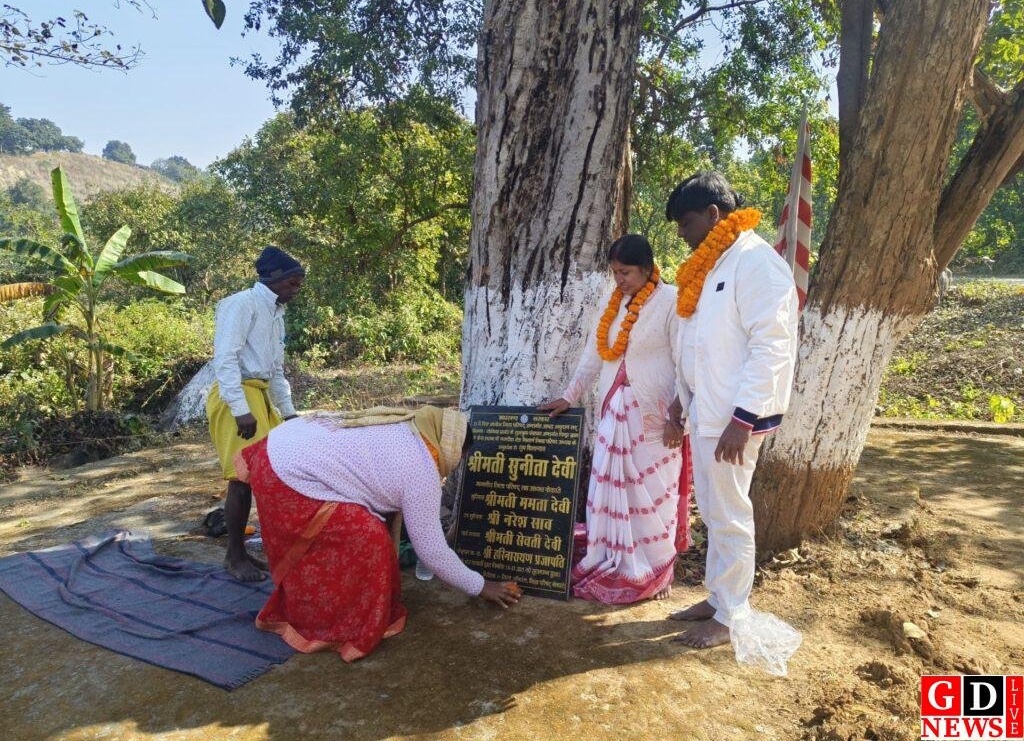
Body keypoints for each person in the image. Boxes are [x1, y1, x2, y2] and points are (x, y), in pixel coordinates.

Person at [233, 406, 522, 662]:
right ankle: (334, 623)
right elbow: (431, 551)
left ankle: (328, 606)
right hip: (287, 475)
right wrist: (481, 586)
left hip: (283, 442)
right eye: (463, 455)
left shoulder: (407, 426)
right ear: (452, 449)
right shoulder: (422, 469)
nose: (460, 462)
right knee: (370, 539)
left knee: (358, 535)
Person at [664, 171, 798, 648]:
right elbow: (698, 343)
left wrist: (744, 419)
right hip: (707, 411)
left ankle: (732, 615)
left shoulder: (756, 262)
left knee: (730, 513)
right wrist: (681, 396)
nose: (682, 234)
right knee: (714, 512)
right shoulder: (711, 263)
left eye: (686, 222)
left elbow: (773, 345)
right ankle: (718, 598)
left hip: (735, 419)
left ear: (714, 214)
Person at [540, 235, 688, 604]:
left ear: (647, 269)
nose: (619, 280)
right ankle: (611, 557)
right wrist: (569, 396)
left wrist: (679, 415)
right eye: (615, 272)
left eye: (626, 273)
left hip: (656, 417)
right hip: (613, 412)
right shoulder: (613, 304)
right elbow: (593, 356)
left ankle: (656, 570)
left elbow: (686, 361)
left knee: (654, 494)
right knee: (607, 489)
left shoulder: (671, 301)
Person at [206, 246, 305, 582]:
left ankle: (245, 551)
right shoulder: (242, 304)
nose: (296, 290)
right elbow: (225, 359)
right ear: (275, 279)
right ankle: (234, 557)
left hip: (258, 395)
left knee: (265, 476)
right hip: (237, 396)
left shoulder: (276, 314)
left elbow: (275, 370)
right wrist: (240, 409)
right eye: (292, 283)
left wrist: (288, 414)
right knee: (242, 479)